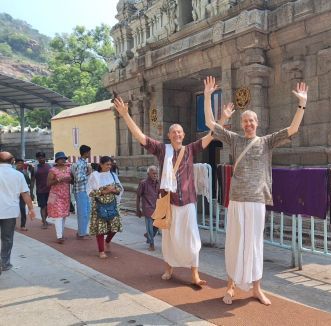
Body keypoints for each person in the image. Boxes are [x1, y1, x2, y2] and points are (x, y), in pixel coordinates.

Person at [203, 76, 308, 305]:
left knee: (254, 244)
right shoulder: (234, 140)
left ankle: (256, 288)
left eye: (252, 121)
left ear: (257, 123)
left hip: (257, 200)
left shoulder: (267, 141)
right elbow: (211, 124)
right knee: (234, 242)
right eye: (245, 121)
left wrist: (302, 104)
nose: (249, 124)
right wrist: (209, 96)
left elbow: (293, 129)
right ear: (242, 125)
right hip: (237, 199)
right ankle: (230, 286)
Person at [113, 96, 231, 286]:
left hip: (188, 202)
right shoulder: (162, 150)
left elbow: (211, 135)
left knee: (191, 237)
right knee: (169, 239)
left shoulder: (191, 149)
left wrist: (223, 119)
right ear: (169, 136)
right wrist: (126, 115)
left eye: (179, 132)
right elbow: (140, 137)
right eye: (173, 132)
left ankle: (194, 273)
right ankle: (169, 268)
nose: (177, 134)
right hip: (169, 201)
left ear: (183, 135)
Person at [0, 152, 35, 274]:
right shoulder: (18, 175)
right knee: (7, 238)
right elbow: (25, 194)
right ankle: (4, 263)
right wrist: (31, 209)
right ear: (13, 161)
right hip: (10, 212)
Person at [87, 156, 123, 259]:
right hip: (99, 205)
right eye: (107, 164)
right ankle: (101, 251)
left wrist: (113, 190)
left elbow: (120, 189)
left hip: (112, 204)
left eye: (110, 164)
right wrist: (104, 191)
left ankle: (107, 241)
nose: (109, 166)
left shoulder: (113, 175)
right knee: (101, 229)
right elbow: (89, 192)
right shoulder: (95, 176)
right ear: (101, 164)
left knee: (115, 226)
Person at [47, 152, 72, 244]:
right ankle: (59, 236)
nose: (63, 160)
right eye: (61, 159)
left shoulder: (68, 169)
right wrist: (58, 180)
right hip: (55, 195)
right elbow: (48, 183)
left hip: (65, 195)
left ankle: (61, 233)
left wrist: (70, 180)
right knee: (58, 216)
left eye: (64, 159)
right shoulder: (52, 170)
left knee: (64, 215)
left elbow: (72, 180)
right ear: (56, 160)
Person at [136, 166, 160, 251]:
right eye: (153, 173)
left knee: (157, 225)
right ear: (148, 174)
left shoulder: (158, 183)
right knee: (149, 226)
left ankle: (149, 236)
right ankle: (151, 243)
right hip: (147, 208)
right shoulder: (143, 183)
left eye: (156, 173)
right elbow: (138, 196)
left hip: (157, 207)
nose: (155, 175)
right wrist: (138, 209)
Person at [72, 145, 92, 239]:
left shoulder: (83, 163)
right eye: (89, 152)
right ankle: (81, 234)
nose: (90, 154)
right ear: (86, 153)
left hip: (84, 190)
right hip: (80, 190)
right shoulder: (80, 163)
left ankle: (82, 231)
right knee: (83, 212)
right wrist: (88, 173)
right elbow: (79, 178)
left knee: (87, 211)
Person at [32, 152, 51, 229]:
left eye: (42, 157)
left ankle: (44, 220)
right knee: (43, 207)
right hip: (40, 191)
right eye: (39, 158)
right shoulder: (35, 168)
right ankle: (44, 222)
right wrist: (31, 192)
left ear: (45, 158)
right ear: (37, 159)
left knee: (48, 207)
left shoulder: (50, 166)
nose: (41, 159)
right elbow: (32, 180)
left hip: (50, 190)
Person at [15, 158, 34, 231]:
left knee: (22, 209)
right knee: (14, 209)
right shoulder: (13, 172)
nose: (20, 165)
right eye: (18, 163)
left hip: (23, 194)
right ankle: (12, 224)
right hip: (14, 194)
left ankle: (23, 225)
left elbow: (29, 182)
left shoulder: (25, 173)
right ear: (15, 164)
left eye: (21, 163)